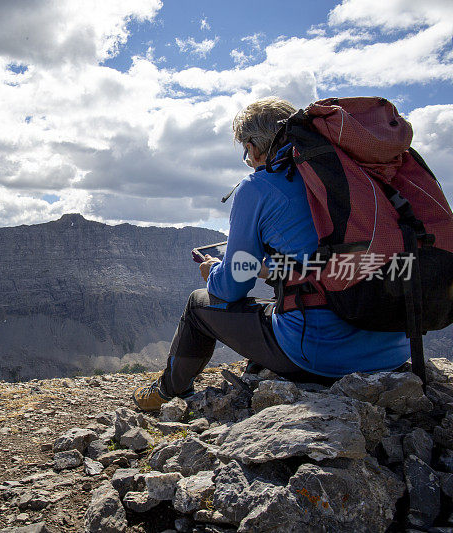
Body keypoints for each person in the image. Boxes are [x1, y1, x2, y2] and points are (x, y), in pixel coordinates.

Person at [132, 97, 411, 412]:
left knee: (199, 304)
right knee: (281, 304)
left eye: (244, 150)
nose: (247, 159)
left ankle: (169, 393)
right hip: (393, 349)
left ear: (253, 146)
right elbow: (324, 266)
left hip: (323, 353)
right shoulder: (343, 177)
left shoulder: (258, 187)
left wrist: (214, 270)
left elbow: (231, 286)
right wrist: (267, 268)